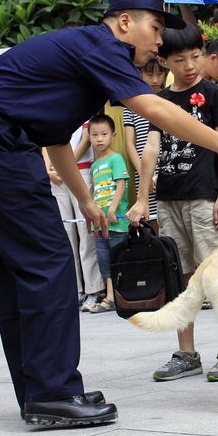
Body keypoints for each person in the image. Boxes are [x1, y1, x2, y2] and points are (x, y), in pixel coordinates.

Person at [0, 0, 218, 426]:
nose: (159, 41)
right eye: (155, 28)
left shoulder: (85, 63)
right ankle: (53, 392)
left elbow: (55, 139)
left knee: (21, 269)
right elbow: (152, 107)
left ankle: (40, 391)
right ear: (124, 22)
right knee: (48, 260)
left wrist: (85, 199)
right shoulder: (100, 44)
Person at [128, 23, 218, 380]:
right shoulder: (160, 101)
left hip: (205, 197)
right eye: (180, 59)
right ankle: (186, 354)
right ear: (164, 60)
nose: (189, 65)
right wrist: (143, 200)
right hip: (169, 200)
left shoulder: (214, 93)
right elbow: (150, 150)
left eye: (195, 56)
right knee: (180, 276)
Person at [45, 123, 104, 311]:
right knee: (64, 233)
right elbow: (42, 137)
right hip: (54, 174)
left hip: (80, 169)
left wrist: (64, 166)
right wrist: (49, 168)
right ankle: (73, 289)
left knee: (85, 232)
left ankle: (93, 289)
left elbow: (87, 137)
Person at [85, 114, 130, 314]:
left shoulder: (116, 158)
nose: (99, 139)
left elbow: (121, 184)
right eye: (94, 135)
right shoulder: (94, 165)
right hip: (100, 225)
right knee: (105, 262)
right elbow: (94, 194)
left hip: (117, 222)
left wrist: (112, 208)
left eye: (103, 134)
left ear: (113, 135)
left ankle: (122, 296)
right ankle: (112, 297)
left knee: (119, 258)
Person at [123, 58, 168, 233]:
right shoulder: (131, 102)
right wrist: (145, 175)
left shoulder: (168, 98)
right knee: (152, 222)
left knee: (171, 218)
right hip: (143, 169)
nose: (155, 79)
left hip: (167, 166)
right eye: (150, 74)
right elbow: (129, 144)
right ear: (140, 74)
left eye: (159, 74)